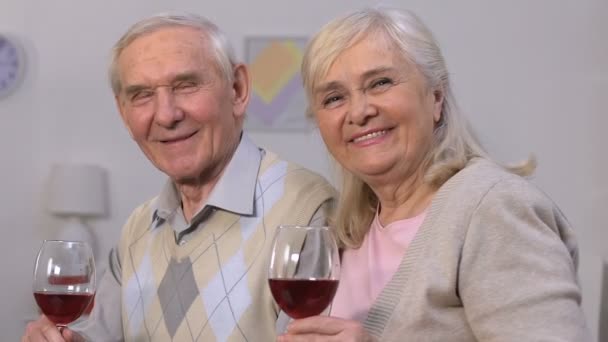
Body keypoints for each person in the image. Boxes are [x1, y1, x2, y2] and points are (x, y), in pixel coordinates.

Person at [278, 7, 591, 342]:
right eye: (334, 97)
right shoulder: (344, 233)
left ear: (436, 97)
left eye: (380, 83)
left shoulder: (494, 208)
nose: (359, 111)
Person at [22, 12, 335, 342]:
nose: (167, 115)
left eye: (186, 85)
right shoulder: (138, 227)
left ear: (238, 89)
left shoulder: (308, 209)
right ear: (123, 112)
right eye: (142, 94)